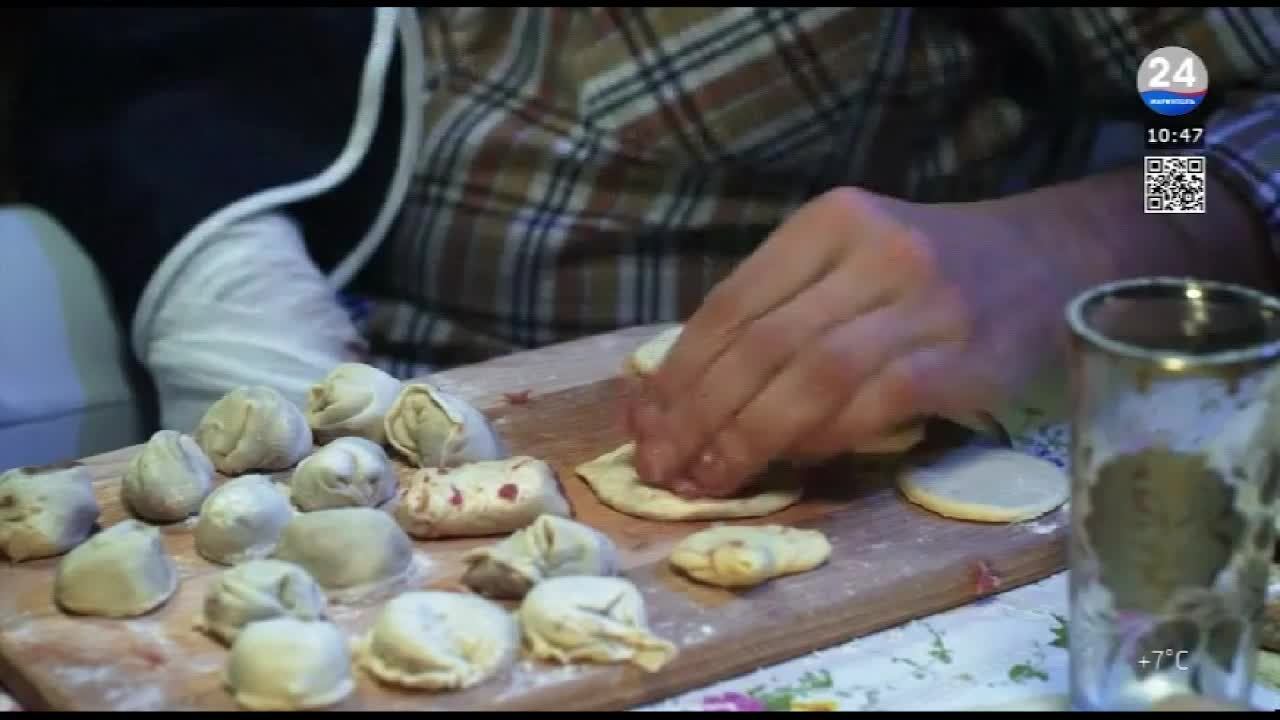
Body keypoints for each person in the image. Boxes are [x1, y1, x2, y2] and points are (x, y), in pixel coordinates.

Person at [14, 8, 1280, 499]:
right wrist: (219, 256)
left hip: (722, 456)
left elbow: (1190, 82)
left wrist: (1136, 219)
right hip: (332, 393)